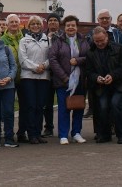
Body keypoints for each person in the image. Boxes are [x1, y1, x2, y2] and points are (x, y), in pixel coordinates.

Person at [48, 14, 89, 144]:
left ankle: (76, 133)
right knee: (63, 108)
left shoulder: (83, 40)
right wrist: (65, 78)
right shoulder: (58, 41)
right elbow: (53, 60)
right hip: (63, 81)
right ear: (64, 27)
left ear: (77, 27)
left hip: (80, 80)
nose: (70, 27)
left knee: (78, 106)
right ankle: (63, 135)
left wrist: (77, 60)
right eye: (68, 25)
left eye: (73, 25)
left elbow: (89, 57)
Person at [85, 26, 122, 144]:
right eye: (97, 41)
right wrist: (96, 78)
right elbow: (89, 71)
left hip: (118, 84)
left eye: (102, 40)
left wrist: (113, 76)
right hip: (101, 86)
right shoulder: (90, 52)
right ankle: (105, 134)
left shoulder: (118, 48)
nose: (99, 43)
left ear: (106, 37)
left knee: (116, 104)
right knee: (103, 107)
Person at [18, 15, 50, 144]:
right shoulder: (24, 40)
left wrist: (44, 66)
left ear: (41, 26)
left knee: (39, 106)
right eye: (32, 24)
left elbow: (51, 56)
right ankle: (31, 134)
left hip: (43, 77)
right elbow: (23, 59)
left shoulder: (47, 39)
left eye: (37, 24)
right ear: (29, 26)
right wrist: (36, 67)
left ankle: (38, 133)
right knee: (30, 105)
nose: (35, 26)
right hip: (28, 77)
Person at [1, 14, 27, 142]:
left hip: (23, 77)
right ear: (7, 24)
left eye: (16, 22)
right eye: (11, 22)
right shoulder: (2, 40)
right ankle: (8, 134)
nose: (14, 24)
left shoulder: (25, 38)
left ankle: (22, 132)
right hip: (9, 78)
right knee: (8, 108)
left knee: (24, 106)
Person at [43, 14, 62, 137]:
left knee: (62, 102)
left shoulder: (63, 36)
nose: (53, 22)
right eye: (51, 20)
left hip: (60, 73)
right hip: (47, 73)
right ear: (47, 23)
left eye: (55, 20)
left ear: (59, 23)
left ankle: (63, 128)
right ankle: (48, 127)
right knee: (47, 103)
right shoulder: (42, 36)